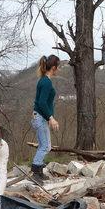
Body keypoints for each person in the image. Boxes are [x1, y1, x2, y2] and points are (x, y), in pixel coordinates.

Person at [31, 54, 60, 182]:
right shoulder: (46, 82)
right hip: (41, 118)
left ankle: (39, 172)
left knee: (44, 145)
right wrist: (51, 118)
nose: (58, 69)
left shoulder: (44, 80)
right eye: (57, 67)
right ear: (53, 67)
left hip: (40, 117)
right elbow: (42, 103)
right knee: (45, 146)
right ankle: (35, 174)